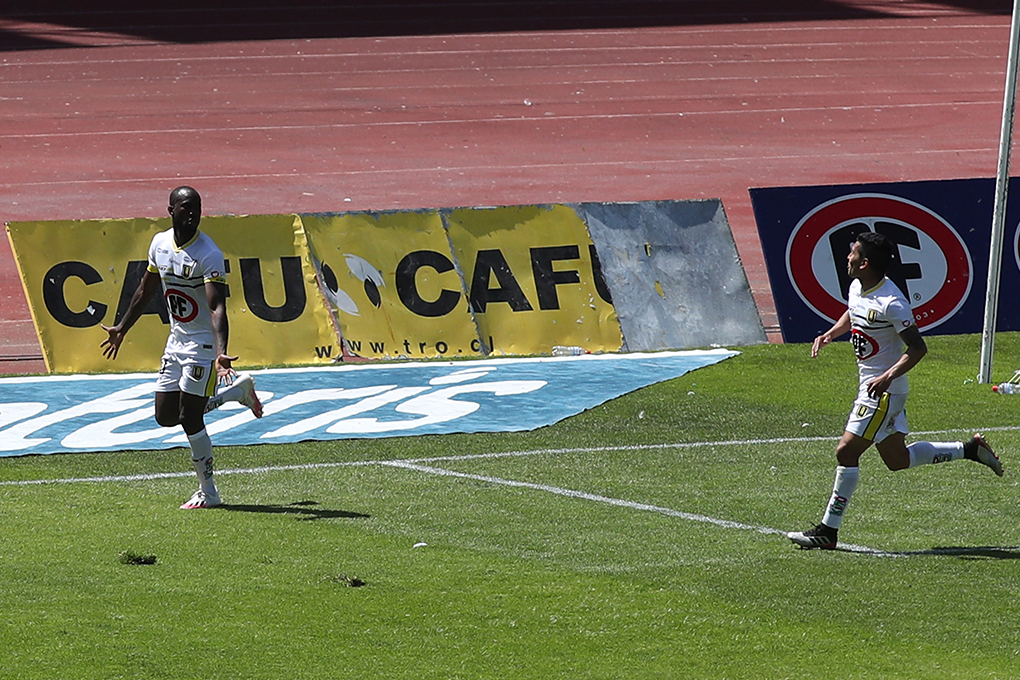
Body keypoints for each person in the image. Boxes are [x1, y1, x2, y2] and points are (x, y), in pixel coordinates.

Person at [787, 231, 1003, 549]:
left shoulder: (892, 302)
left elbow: (917, 348)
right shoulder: (857, 286)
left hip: (882, 392)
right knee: (897, 460)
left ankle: (827, 531)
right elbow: (854, 310)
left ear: (866, 263)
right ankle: (969, 449)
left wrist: (887, 376)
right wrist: (832, 333)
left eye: (853, 254)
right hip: (875, 387)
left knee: (845, 452)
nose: (847, 257)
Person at [101, 186, 263, 509]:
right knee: (165, 416)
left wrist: (221, 351)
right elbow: (144, 291)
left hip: (202, 345)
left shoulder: (209, 254)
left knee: (190, 418)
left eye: (197, 207)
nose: (193, 213)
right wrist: (121, 327)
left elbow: (217, 307)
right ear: (170, 210)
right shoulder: (159, 244)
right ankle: (235, 393)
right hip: (176, 341)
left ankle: (210, 492)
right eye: (186, 207)